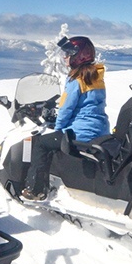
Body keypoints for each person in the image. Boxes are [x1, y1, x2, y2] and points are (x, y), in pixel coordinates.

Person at [22, 36, 110, 201]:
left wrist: (58, 129)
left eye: (69, 54)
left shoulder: (76, 80)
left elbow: (65, 109)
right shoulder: (96, 77)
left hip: (81, 133)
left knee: (42, 143)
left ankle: (35, 190)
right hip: (101, 130)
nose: (65, 57)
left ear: (79, 56)